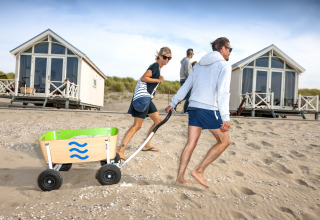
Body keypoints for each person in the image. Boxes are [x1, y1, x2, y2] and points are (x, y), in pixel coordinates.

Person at [165, 37, 232, 188]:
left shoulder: (199, 65)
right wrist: (225, 117)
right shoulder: (224, 65)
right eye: (229, 49)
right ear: (222, 48)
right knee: (225, 141)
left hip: (194, 107)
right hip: (208, 108)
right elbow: (223, 92)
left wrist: (173, 103)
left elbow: (186, 86)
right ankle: (199, 170)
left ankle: (180, 178)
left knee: (191, 143)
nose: (229, 52)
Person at [117, 47, 172, 161]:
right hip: (142, 99)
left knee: (158, 121)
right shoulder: (155, 66)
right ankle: (120, 150)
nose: (167, 60)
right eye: (165, 57)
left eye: (169, 58)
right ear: (160, 56)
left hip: (147, 100)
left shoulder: (158, 68)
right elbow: (144, 78)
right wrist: (158, 80)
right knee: (137, 126)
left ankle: (146, 145)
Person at [177, 48, 194, 113]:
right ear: (191, 53)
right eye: (193, 54)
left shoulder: (184, 60)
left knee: (184, 95)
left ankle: (174, 105)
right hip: (185, 80)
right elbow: (187, 71)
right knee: (188, 95)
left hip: (183, 79)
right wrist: (190, 80)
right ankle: (185, 110)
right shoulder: (187, 61)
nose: (193, 55)